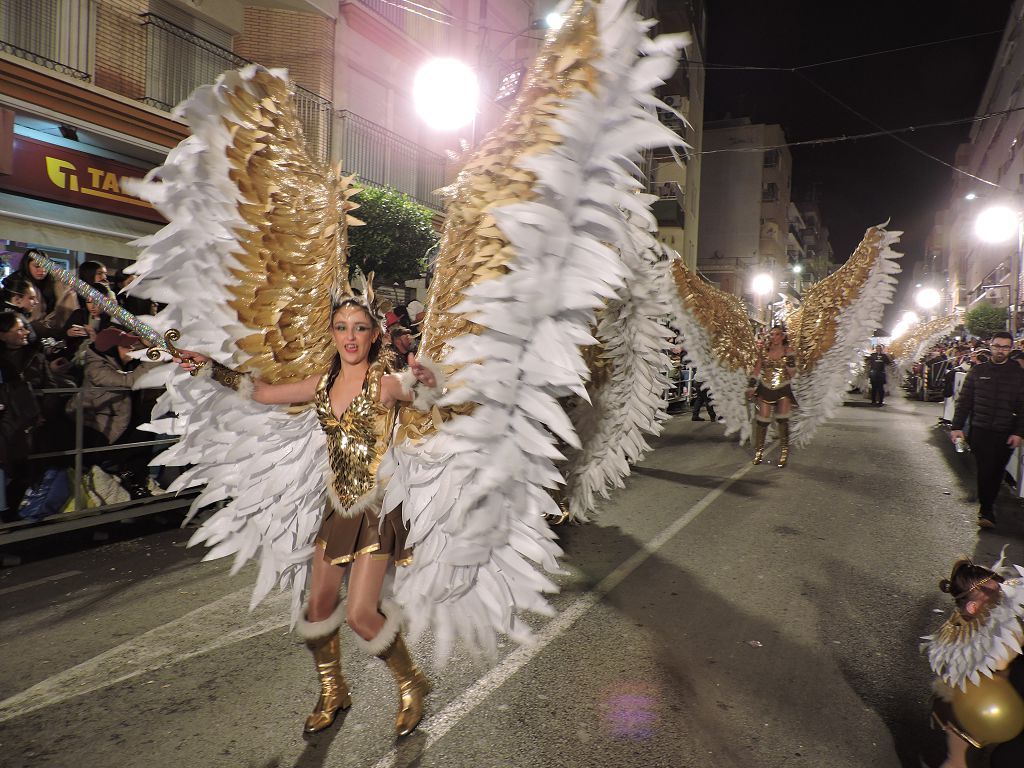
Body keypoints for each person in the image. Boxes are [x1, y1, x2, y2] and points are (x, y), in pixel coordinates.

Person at [175, 290, 441, 737]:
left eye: (360, 328)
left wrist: (428, 380)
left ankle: (410, 681)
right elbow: (261, 393)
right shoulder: (321, 384)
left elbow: (423, 396)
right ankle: (333, 690)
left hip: (378, 510)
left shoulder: (386, 383)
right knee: (317, 607)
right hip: (338, 508)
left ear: (375, 336)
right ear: (332, 334)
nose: (350, 337)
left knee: (360, 614)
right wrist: (210, 367)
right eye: (342, 328)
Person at [923, 557, 1024, 768]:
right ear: (973, 607)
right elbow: (1000, 662)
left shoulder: (978, 622)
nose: (1003, 596)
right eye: (996, 596)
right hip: (970, 711)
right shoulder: (971, 641)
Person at [949, 331, 1024, 528]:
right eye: (997, 346)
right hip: (981, 430)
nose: (1000, 350)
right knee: (985, 469)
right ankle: (986, 509)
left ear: (1011, 349)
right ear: (990, 346)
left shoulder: (1018, 374)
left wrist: (1019, 432)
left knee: (997, 471)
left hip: (1005, 431)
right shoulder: (977, 371)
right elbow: (964, 401)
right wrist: (957, 427)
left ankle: (988, 505)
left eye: (1005, 347)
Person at [745, 324, 797, 467]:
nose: (774, 337)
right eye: (772, 334)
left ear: (783, 336)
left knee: (783, 421)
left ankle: (784, 452)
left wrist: (790, 363)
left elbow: (793, 374)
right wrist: (751, 386)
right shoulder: (764, 350)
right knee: (762, 421)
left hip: (783, 388)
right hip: (765, 387)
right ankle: (759, 452)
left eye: (777, 334)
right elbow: (756, 370)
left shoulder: (788, 351)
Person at [14, 249, 78, 338]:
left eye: (45, 267)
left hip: (55, 331)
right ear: (27, 266)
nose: (42, 270)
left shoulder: (55, 283)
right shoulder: (18, 285)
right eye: (37, 266)